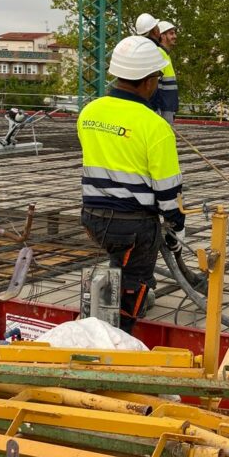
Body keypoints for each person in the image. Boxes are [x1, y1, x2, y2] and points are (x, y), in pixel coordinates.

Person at [77, 35, 186, 333]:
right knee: (133, 285)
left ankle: (105, 300)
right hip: (133, 227)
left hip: (93, 219)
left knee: (120, 261)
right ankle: (116, 333)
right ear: (149, 81)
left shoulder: (89, 113)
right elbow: (168, 190)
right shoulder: (155, 126)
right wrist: (177, 227)